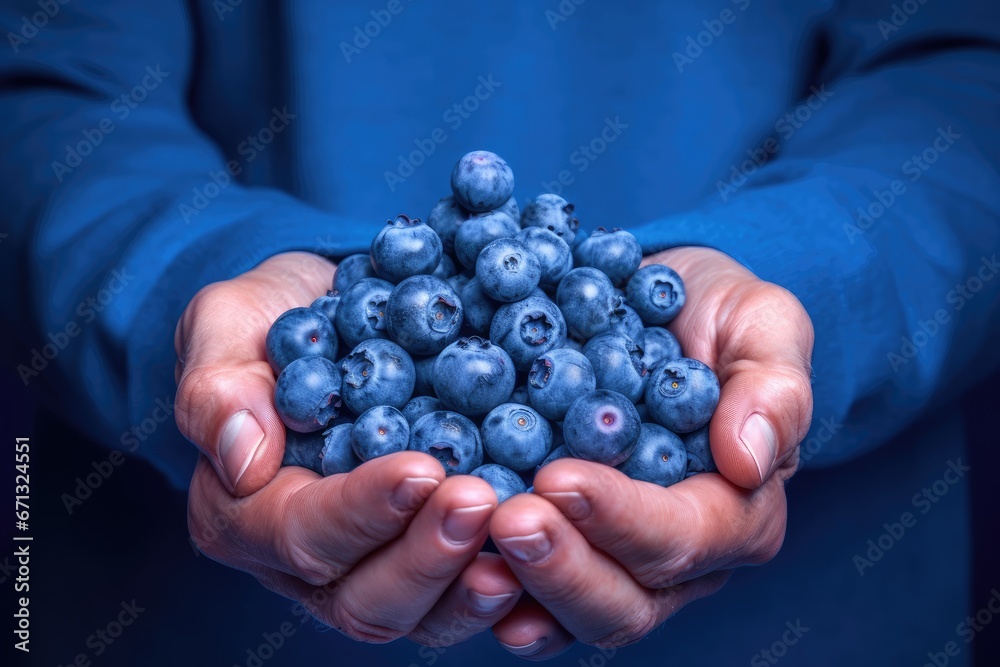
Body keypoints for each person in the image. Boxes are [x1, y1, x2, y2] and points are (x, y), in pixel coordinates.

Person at [1, 0, 998, 664]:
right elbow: (39, 87)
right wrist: (182, 298)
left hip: (816, 618)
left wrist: (815, 284)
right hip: (184, 622)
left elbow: (967, 74)